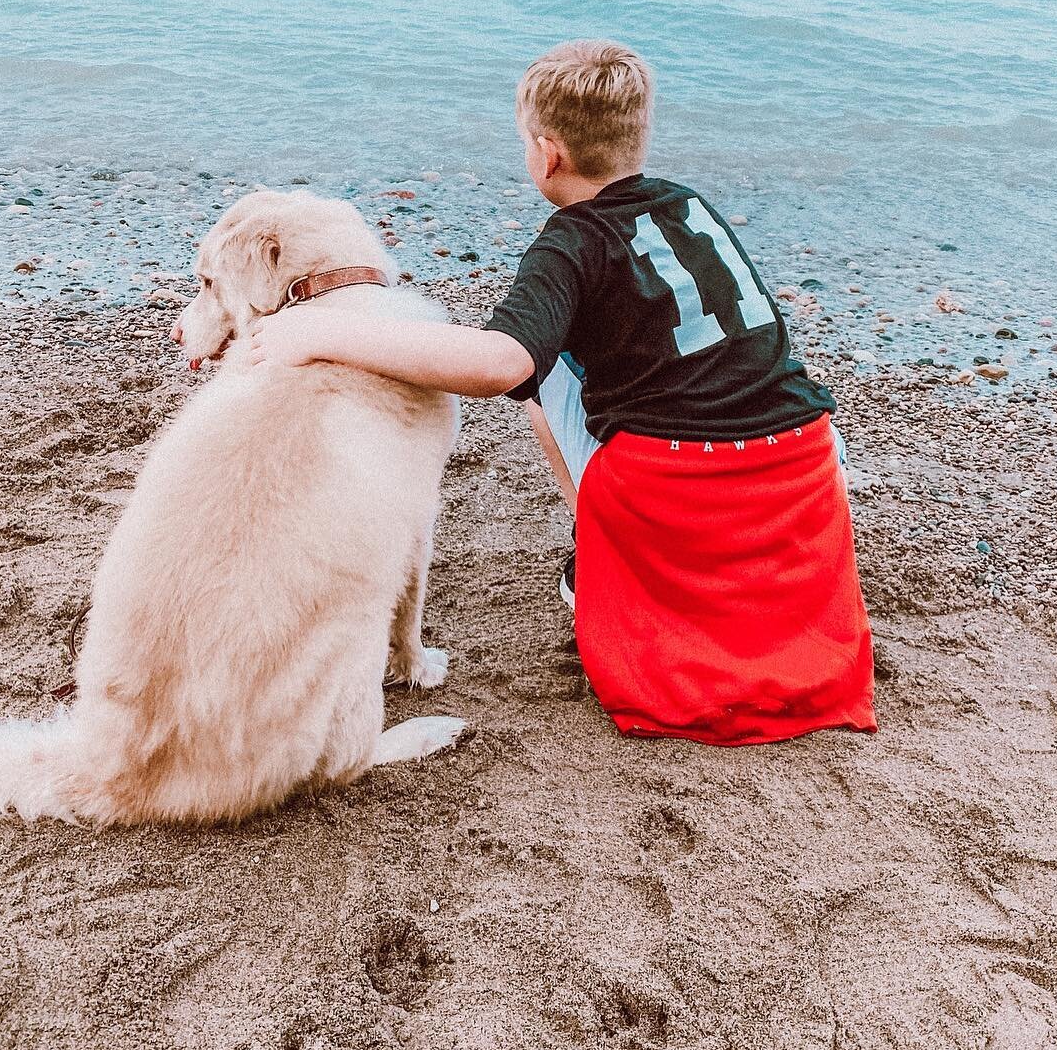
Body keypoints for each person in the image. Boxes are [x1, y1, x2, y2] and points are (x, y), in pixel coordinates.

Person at [249, 40, 875, 746]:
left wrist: (322, 333)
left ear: (546, 155)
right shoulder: (691, 206)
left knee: (539, 367)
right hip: (805, 466)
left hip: (678, 488)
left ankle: (596, 543)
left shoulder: (569, 242)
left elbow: (499, 364)